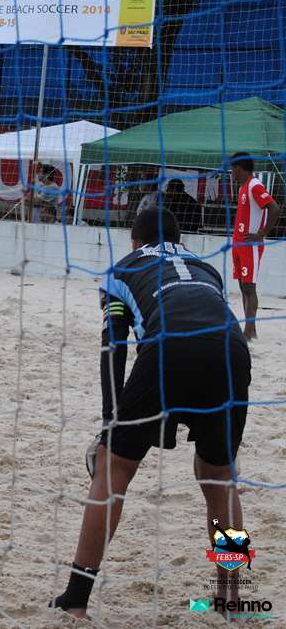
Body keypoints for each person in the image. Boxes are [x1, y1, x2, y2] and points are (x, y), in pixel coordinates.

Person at [52, 209, 252, 619]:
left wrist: (109, 423)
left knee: (114, 469)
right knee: (219, 478)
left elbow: (114, 347)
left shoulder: (121, 270)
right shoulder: (206, 267)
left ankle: (75, 599)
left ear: (134, 241)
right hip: (231, 350)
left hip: (167, 349)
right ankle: (231, 598)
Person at [230, 152, 280, 340]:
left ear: (238, 168)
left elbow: (274, 208)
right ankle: (250, 329)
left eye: (232, 169)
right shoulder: (244, 187)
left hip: (249, 245)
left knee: (249, 287)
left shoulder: (255, 185)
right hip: (238, 244)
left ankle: (249, 330)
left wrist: (261, 234)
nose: (231, 173)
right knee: (243, 287)